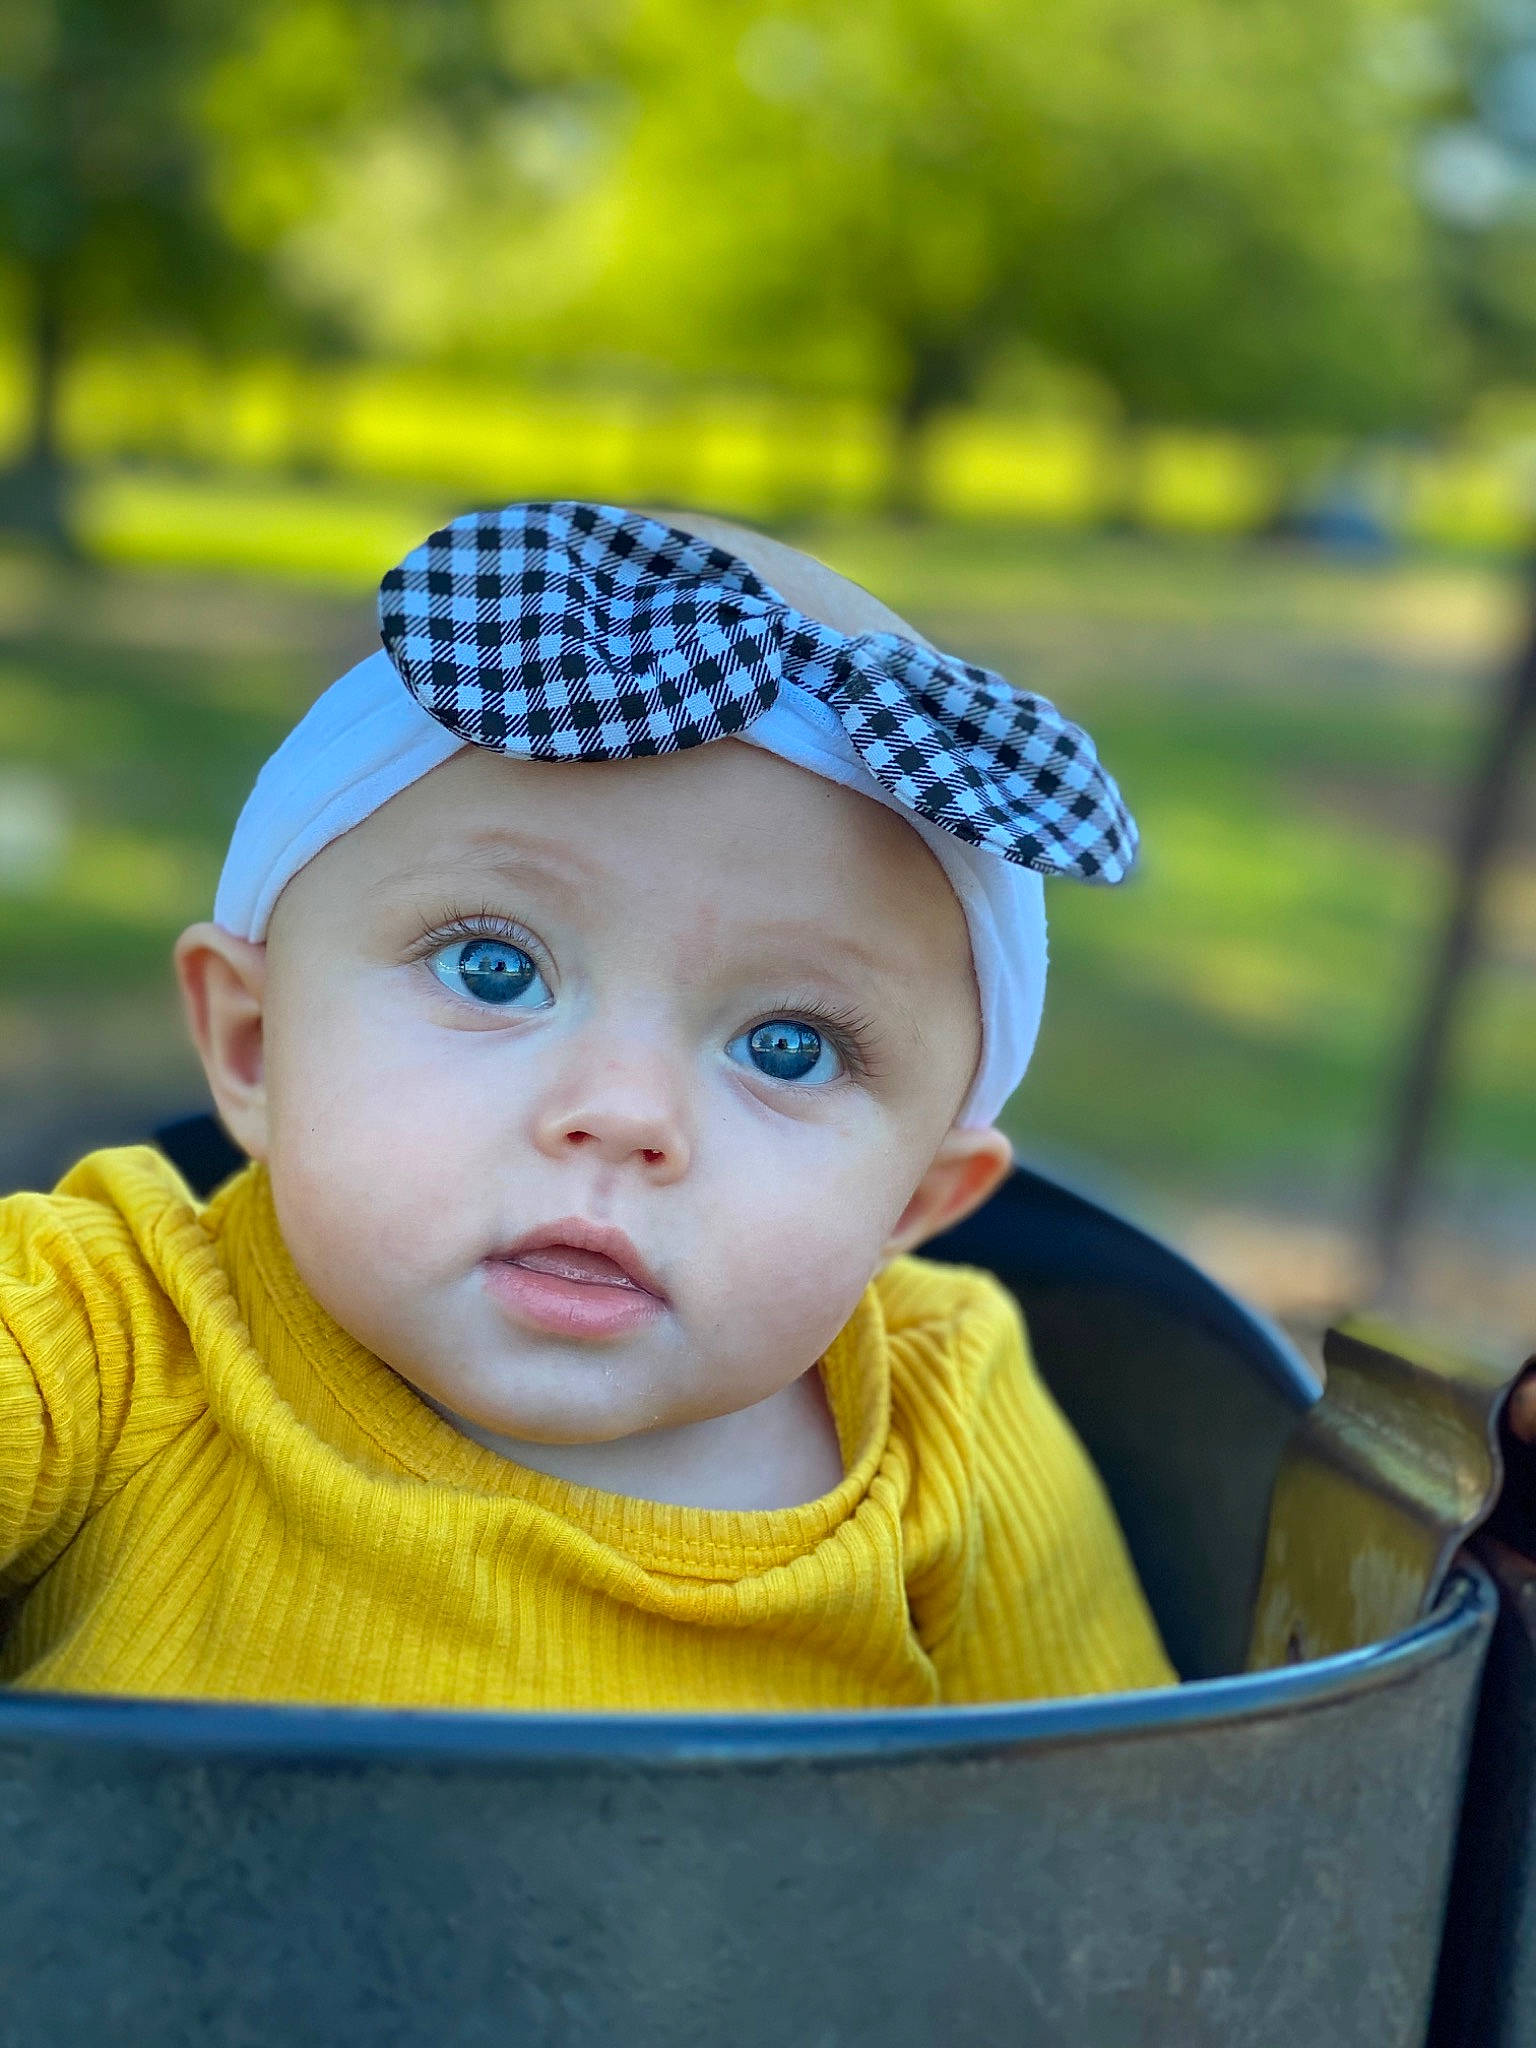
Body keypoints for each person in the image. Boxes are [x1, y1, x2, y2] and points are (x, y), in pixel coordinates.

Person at [0, 501, 1173, 1709]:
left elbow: (1143, 1847)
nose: (621, 1112)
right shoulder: (108, 1333)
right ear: (256, 1044)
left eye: (790, 1045)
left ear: (916, 1198)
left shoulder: (952, 1438)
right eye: (494, 968)